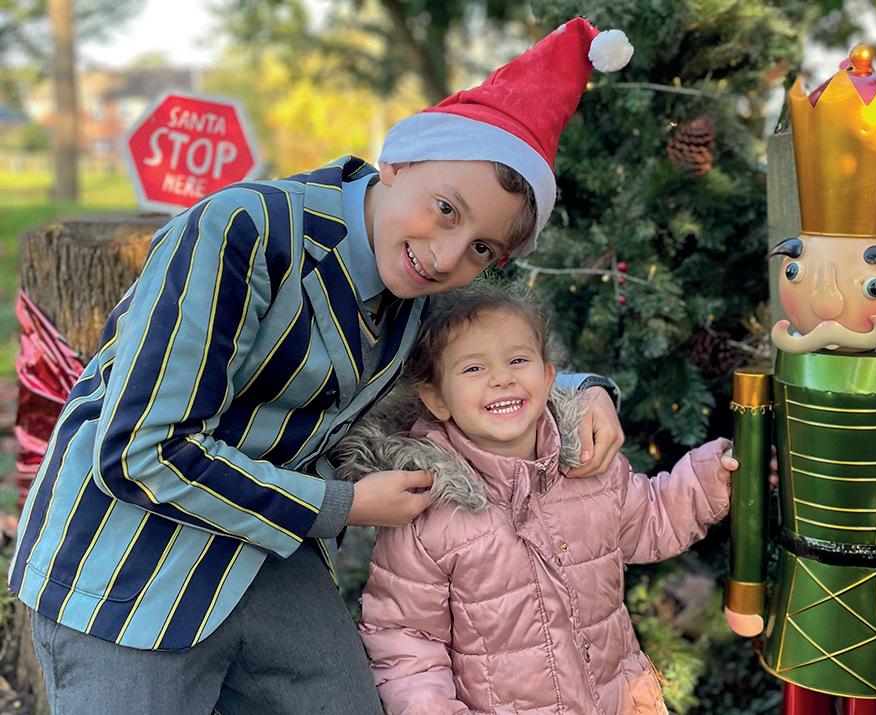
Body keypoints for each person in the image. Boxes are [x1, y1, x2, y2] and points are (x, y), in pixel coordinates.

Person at [8, 17, 636, 714]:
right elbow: (139, 452)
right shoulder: (244, 232)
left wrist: (581, 393)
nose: (447, 256)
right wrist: (344, 506)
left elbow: (487, 357)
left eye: (483, 249)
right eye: (445, 209)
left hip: (263, 555)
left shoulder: (417, 290)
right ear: (397, 161)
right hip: (126, 562)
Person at [338, 286, 738, 714]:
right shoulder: (426, 509)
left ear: (548, 377)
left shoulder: (586, 466)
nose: (502, 378)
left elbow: (655, 516)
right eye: (473, 368)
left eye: (517, 360)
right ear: (436, 398)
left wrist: (719, 473)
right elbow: (408, 643)